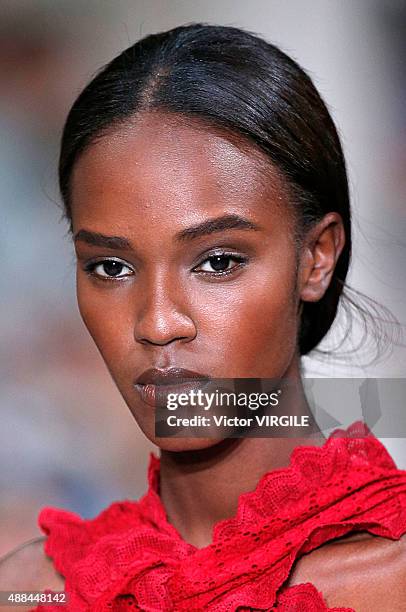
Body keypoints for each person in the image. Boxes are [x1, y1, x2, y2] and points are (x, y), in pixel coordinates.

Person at [1, 23, 405, 611]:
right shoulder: (31, 590)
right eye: (111, 267)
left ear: (317, 257)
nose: (158, 322)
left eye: (218, 261)